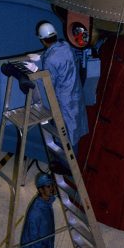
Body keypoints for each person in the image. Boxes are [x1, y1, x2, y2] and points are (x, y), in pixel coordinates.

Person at [32, 21, 89, 151]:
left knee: (65, 136)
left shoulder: (50, 59)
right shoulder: (66, 46)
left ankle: (66, 167)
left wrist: (35, 71)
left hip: (64, 102)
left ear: (42, 40)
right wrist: (41, 57)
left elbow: (48, 82)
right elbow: (59, 57)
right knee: (74, 130)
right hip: (75, 95)